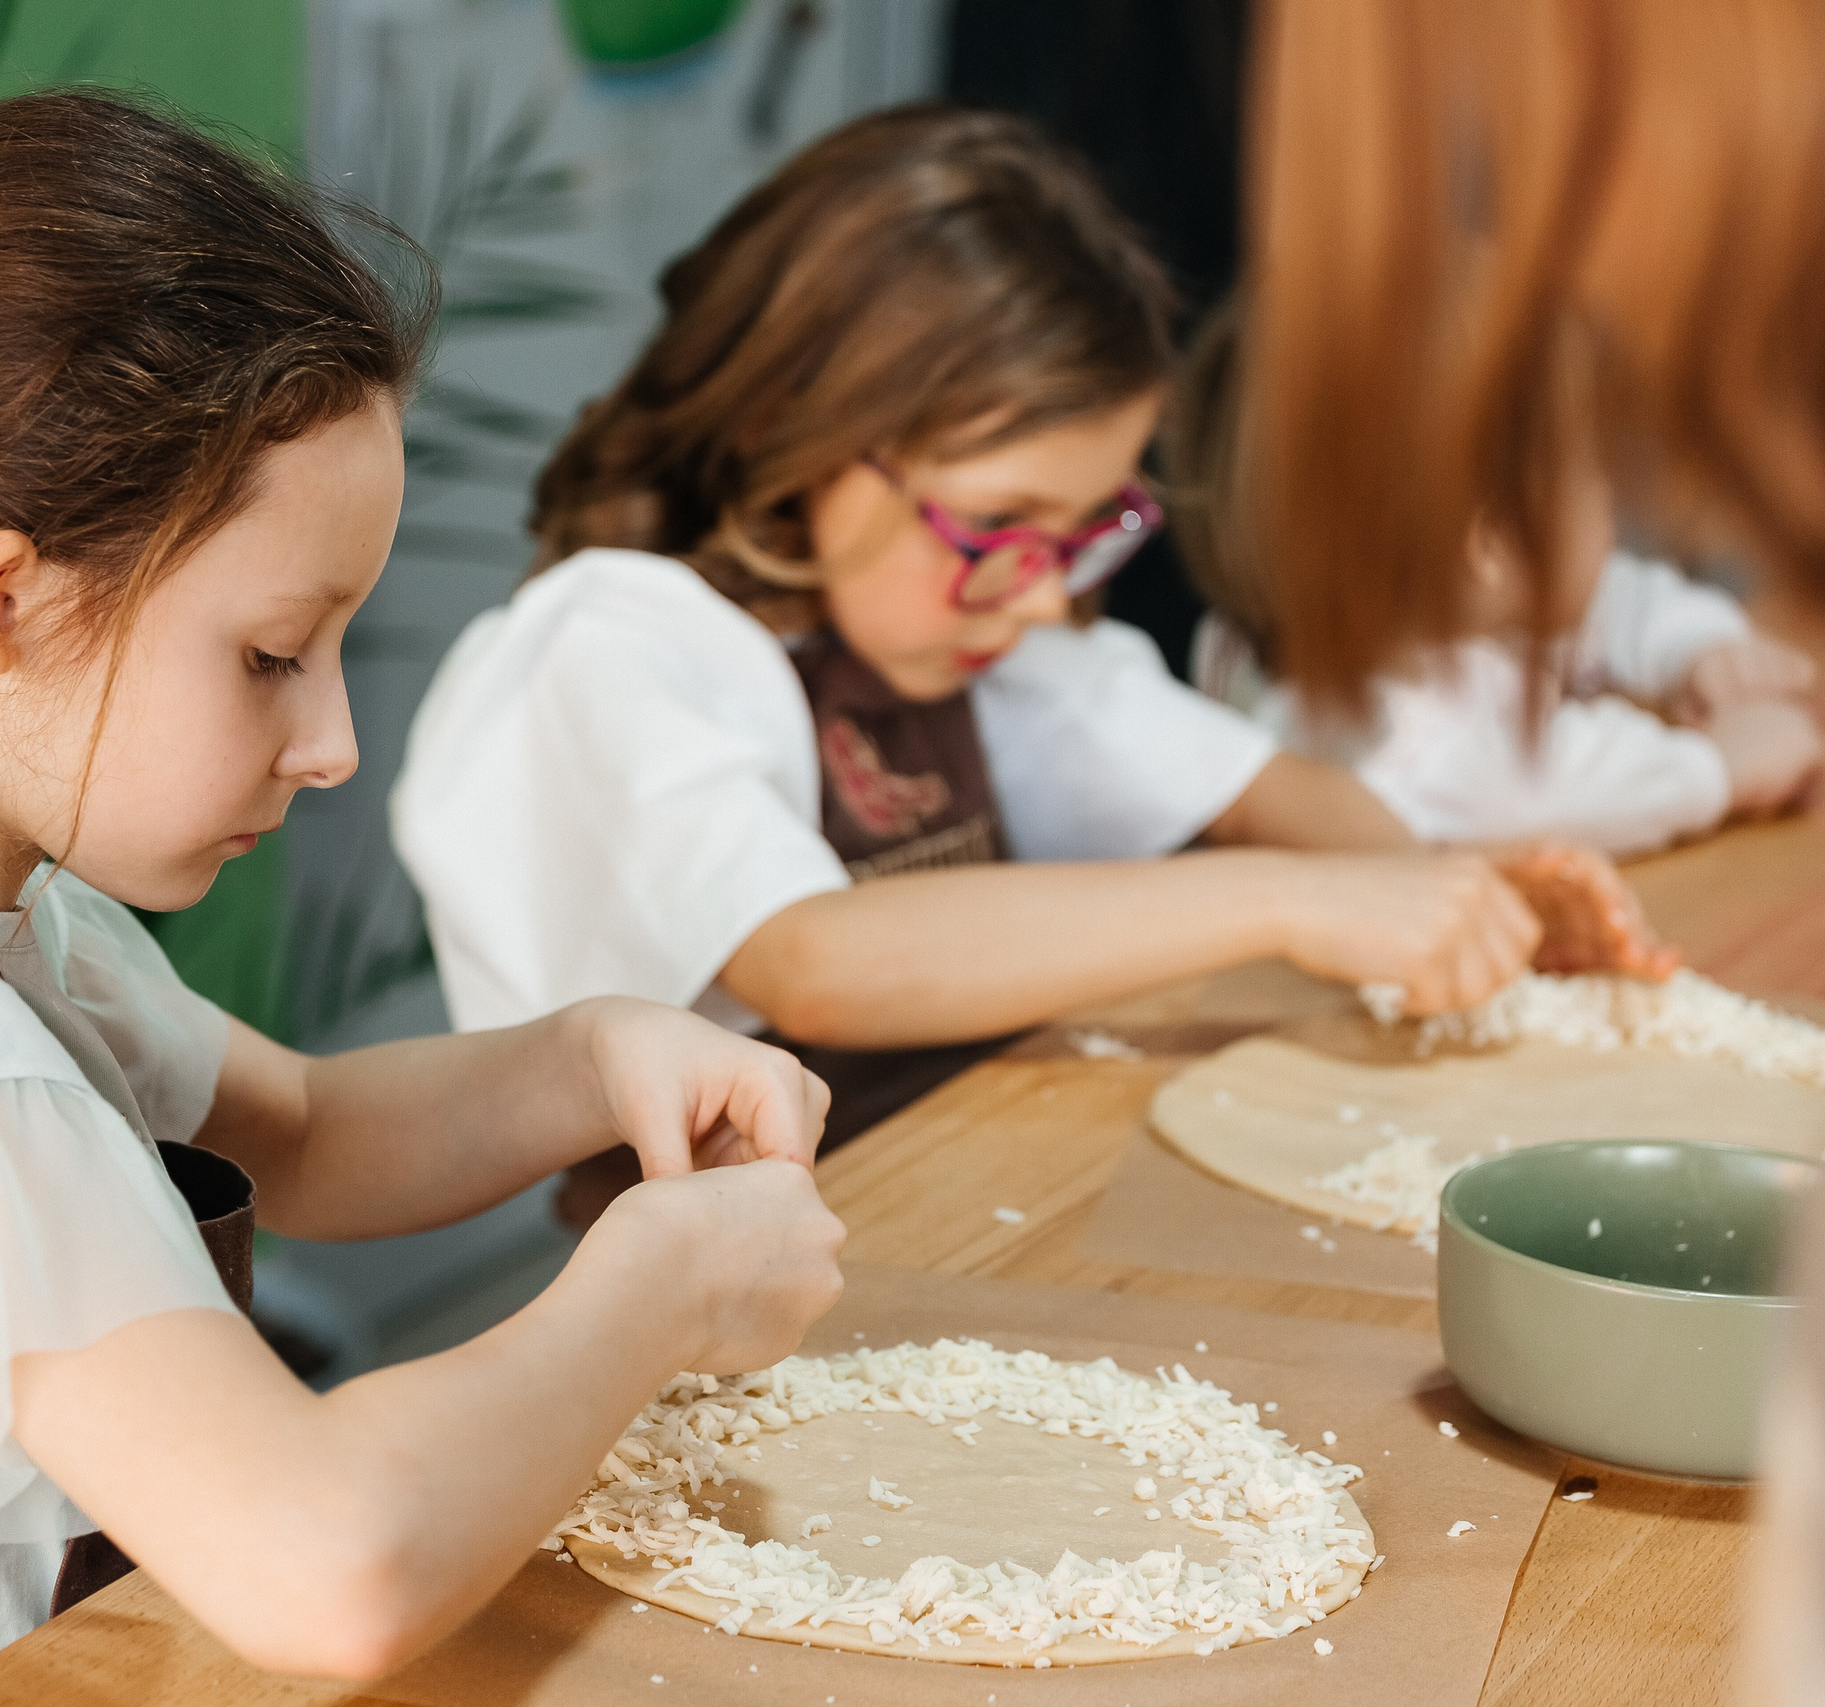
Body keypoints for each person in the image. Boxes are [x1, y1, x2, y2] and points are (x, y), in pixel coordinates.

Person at [0, 94, 848, 1707]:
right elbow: (329, 1560)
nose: (332, 744)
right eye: (271, 657)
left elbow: (307, 1128)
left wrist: (595, 1055)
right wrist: (657, 1290)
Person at [389, 107, 1666, 1189]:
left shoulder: (982, 633)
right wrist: (1290, 900)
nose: (1042, 589)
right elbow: (818, 964)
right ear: (803, 426)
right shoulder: (614, 646)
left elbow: (1294, 801)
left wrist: (1454, 892)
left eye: (1085, 527)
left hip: (959, 1199)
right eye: (995, 523)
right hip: (694, 1309)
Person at [1234, 4, 1825, 1699]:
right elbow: (1517, 766)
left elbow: (1621, 601)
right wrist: (1724, 753)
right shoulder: (1407, 697)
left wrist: (1703, 645)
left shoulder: (1548, 576)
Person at [1167, 304, 1823, 855]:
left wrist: (1701, 651)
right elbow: (1523, 791)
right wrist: (1716, 769)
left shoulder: (1432, 612)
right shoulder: (1366, 723)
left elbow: (1615, 595)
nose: (1611, 505)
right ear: (1488, 546)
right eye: (1593, 472)